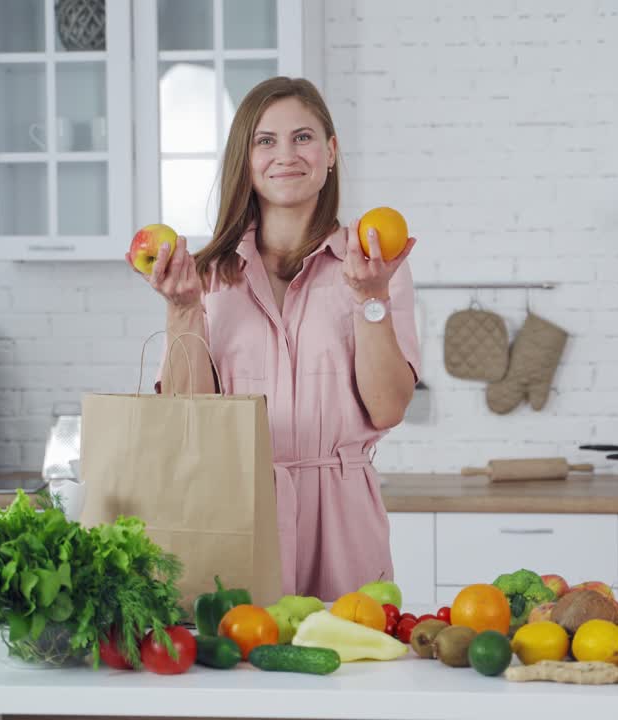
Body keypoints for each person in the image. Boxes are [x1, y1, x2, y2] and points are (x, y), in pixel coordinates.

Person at [136, 77, 420, 601]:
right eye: (265, 141)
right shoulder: (205, 275)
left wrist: (370, 298)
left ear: (330, 152)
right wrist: (183, 309)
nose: (285, 154)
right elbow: (187, 422)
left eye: (303, 138)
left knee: (347, 670)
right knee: (237, 671)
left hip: (343, 520)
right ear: (245, 160)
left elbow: (387, 409)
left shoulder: (375, 267)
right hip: (235, 512)